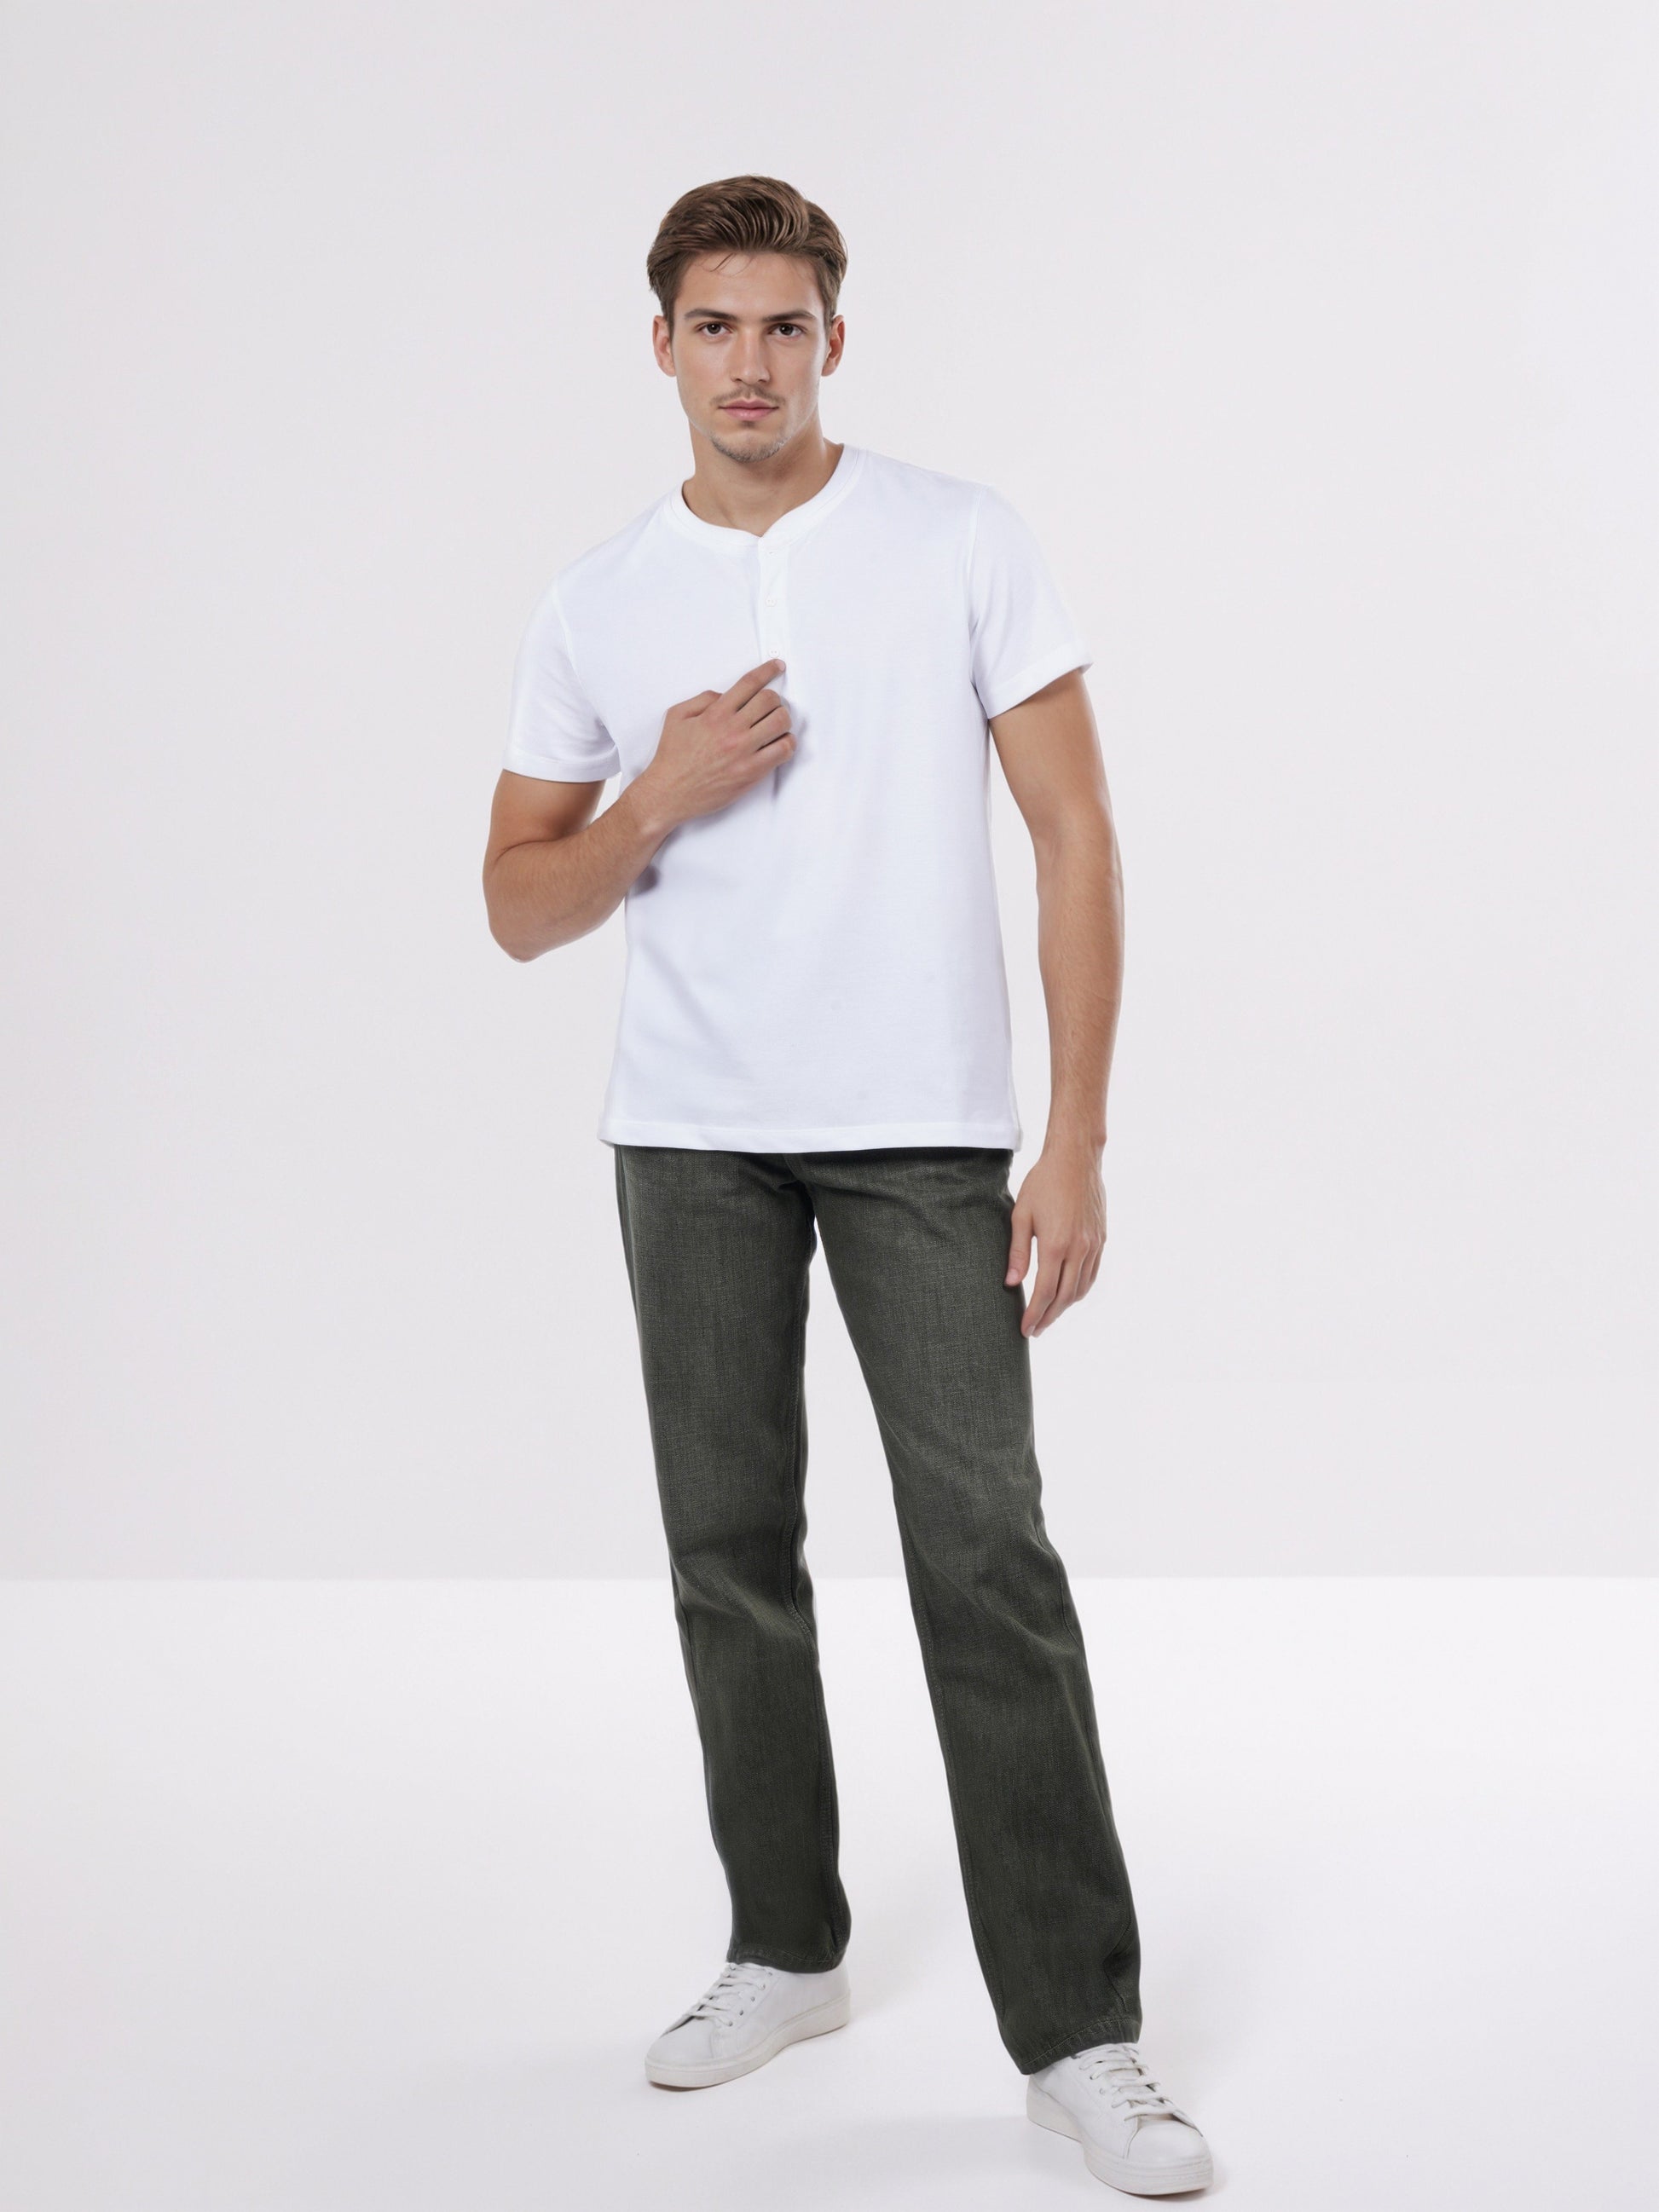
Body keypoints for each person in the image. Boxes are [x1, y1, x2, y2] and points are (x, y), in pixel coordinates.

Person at [482, 174, 1215, 2199]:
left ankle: (1078, 2029)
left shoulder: (957, 538)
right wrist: (657, 797)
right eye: (714, 326)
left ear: (832, 339)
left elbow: (1074, 832)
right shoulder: (596, 598)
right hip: (689, 1134)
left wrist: (1074, 1133)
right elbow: (518, 902)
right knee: (729, 1550)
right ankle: (785, 1943)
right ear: (660, 345)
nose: (750, 362)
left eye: (783, 325)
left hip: (922, 1133)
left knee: (986, 1558)